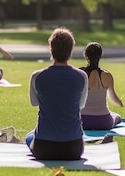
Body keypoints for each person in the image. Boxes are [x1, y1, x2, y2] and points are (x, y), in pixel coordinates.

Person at [25, 28, 88, 160]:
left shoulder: (37, 76)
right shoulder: (82, 76)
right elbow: (81, 105)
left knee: (29, 136)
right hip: (73, 148)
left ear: (51, 48)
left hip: (44, 148)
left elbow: (34, 102)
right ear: (71, 49)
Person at [79, 42, 123, 131]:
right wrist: (120, 103)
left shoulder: (79, 73)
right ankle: (107, 141)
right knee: (117, 117)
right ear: (100, 56)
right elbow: (113, 97)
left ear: (86, 56)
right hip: (103, 121)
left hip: (82, 121)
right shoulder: (107, 75)